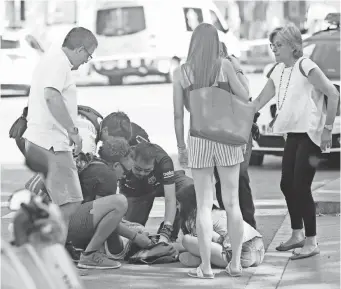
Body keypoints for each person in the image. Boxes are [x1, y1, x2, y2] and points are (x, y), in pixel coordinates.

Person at [253, 23, 339, 260]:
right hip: (292, 134)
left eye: (278, 45)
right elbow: (260, 98)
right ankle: (297, 234)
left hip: (310, 135)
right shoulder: (278, 70)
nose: (274, 49)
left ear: (293, 45)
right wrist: (244, 112)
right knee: (286, 185)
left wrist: (327, 130)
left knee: (301, 187)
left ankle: (311, 242)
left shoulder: (305, 65)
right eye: (272, 45)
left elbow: (333, 93)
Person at [173, 23, 250, 278]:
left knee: (204, 205)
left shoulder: (181, 73)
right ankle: (236, 264)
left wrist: (181, 148)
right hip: (227, 137)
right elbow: (245, 96)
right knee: (232, 203)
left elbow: (177, 116)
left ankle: (206, 267)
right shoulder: (224, 65)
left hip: (198, 138)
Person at [22, 27, 98, 246]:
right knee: (71, 202)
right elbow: (52, 96)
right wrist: (73, 132)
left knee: (62, 203)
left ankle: (49, 248)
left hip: (42, 140)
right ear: (80, 49)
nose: (86, 61)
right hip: (51, 143)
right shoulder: (60, 62)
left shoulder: (51, 58)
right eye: (88, 55)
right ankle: (50, 252)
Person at [67, 137, 152, 269]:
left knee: (131, 223)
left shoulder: (94, 164)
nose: (124, 176)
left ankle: (88, 251)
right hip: (71, 225)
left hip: (65, 223)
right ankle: (90, 254)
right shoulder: (108, 175)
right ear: (117, 165)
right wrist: (135, 237)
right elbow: (104, 219)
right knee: (120, 202)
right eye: (125, 171)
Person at [215, 42, 259, 229]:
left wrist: (236, 68)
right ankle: (230, 225)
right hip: (216, 131)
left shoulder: (230, 65)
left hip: (239, 128)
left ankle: (248, 225)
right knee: (221, 178)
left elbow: (245, 93)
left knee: (239, 175)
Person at [119, 141, 194, 244]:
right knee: (131, 233)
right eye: (138, 168)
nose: (142, 173)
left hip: (163, 181)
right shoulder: (124, 158)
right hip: (139, 188)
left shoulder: (164, 162)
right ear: (131, 160)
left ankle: (175, 236)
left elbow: (170, 199)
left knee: (188, 187)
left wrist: (166, 232)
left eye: (147, 170)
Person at [176, 185, 264, 269]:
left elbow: (217, 239)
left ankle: (204, 261)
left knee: (187, 240)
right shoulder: (217, 212)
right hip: (259, 249)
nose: (177, 207)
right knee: (191, 249)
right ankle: (206, 259)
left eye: (178, 203)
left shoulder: (201, 219)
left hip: (241, 254)